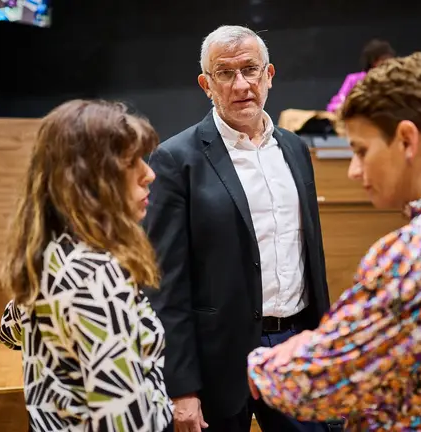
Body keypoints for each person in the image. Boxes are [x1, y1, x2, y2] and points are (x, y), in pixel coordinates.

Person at [248, 52, 421, 430]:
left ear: (406, 140)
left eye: (361, 151)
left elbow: (325, 380)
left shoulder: (417, 251)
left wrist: (257, 365)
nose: (354, 171)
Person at [143, 25, 333, 432]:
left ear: (269, 75)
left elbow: (311, 258)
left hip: (296, 344)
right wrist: (180, 387)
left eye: (250, 69)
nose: (241, 85)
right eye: (225, 74)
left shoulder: (295, 149)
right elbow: (165, 284)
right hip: (217, 359)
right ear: (206, 85)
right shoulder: (176, 159)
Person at [0, 99, 173, 432]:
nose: (149, 174)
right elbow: (125, 423)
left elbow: (10, 331)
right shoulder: (96, 278)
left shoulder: (52, 252)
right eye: (131, 162)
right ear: (89, 179)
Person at [326, 39, 395, 113]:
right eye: (382, 59)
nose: (387, 63)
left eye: (389, 59)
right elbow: (338, 103)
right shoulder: (353, 80)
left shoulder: (394, 80)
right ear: (372, 61)